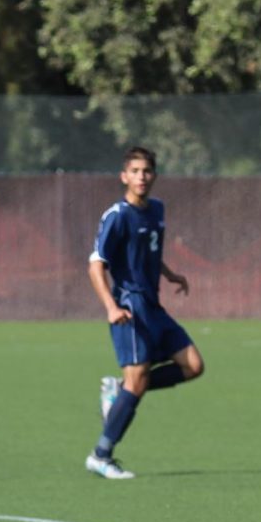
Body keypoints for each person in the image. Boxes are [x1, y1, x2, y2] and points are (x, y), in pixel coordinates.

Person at [85, 146, 204, 479]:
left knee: (193, 365)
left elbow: (148, 250)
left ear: (154, 175)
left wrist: (169, 274)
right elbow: (96, 265)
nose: (141, 177)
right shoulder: (117, 215)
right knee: (136, 383)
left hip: (154, 306)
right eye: (135, 171)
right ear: (124, 176)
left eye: (147, 171)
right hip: (129, 307)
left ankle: (119, 390)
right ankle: (101, 455)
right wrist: (110, 306)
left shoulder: (157, 210)